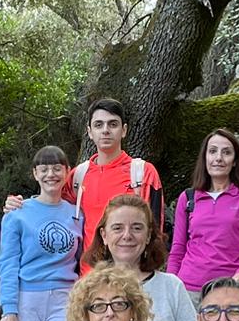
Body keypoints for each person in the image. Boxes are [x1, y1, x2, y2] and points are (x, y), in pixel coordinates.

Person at [82, 193, 201, 321]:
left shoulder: (171, 287)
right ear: (104, 235)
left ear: (148, 236)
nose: (127, 235)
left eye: (137, 228)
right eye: (117, 228)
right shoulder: (87, 289)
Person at [0, 144, 81, 321]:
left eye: (56, 168)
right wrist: (9, 311)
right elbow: (7, 264)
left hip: (65, 299)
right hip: (27, 299)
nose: (50, 174)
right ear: (35, 173)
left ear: (67, 171)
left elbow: (82, 260)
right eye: (44, 169)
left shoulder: (77, 215)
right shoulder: (17, 214)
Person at [167, 128, 239, 295]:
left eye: (226, 152)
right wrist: (170, 284)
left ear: (235, 160)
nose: (218, 158)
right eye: (212, 151)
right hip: (188, 290)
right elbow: (178, 249)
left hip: (229, 288)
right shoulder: (188, 197)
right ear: (205, 157)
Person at [63, 97, 164, 250]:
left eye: (113, 124)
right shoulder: (77, 176)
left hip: (129, 271)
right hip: (88, 272)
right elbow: (50, 208)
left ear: (123, 130)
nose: (105, 130)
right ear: (90, 132)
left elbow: (156, 230)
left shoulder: (143, 173)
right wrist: (17, 205)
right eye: (98, 125)